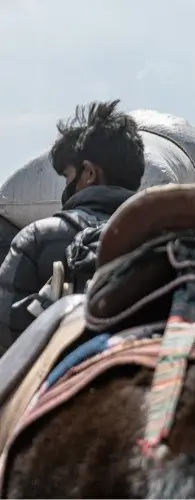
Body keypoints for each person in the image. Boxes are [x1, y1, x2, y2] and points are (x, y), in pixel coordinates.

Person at [0, 99, 144, 349]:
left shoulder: (38, 238)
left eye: (67, 175)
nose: (66, 186)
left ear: (88, 173)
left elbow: (4, 332)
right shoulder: (159, 239)